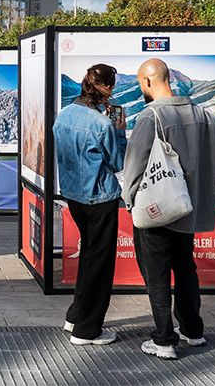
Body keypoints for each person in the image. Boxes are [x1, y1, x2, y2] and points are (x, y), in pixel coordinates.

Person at [122, 58, 215, 360]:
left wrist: (131, 199)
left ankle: (163, 340)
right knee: (185, 268)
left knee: (157, 274)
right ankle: (193, 330)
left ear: (147, 82)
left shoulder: (151, 118)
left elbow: (134, 165)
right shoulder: (205, 115)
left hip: (158, 208)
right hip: (190, 208)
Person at [52, 63, 126, 347]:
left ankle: (75, 314)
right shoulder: (103, 123)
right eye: (114, 85)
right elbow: (117, 161)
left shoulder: (65, 114)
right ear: (106, 88)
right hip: (100, 197)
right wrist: (119, 131)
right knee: (100, 263)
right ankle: (87, 330)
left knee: (88, 256)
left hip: (74, 195)